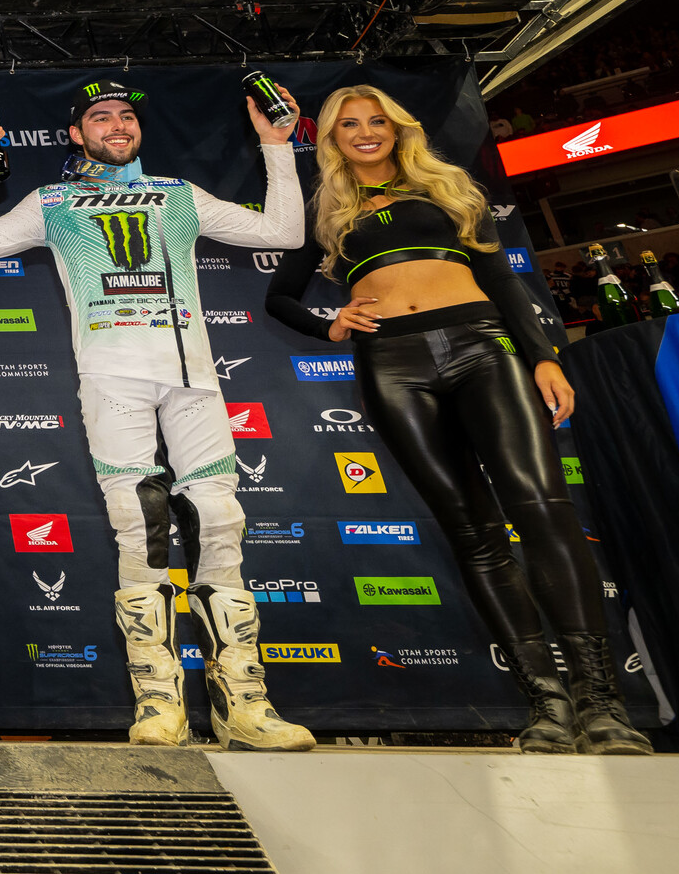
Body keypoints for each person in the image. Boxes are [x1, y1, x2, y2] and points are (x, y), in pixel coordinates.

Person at [265, 86, 651, 755]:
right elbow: (278, 296)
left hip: (482, 346)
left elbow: (504, 280)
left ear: (398, 127)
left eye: (376, 121)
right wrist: (331, 323)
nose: (364, 132)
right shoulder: (323, 208)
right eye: (348, 125)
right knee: (473, 533)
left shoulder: (447, 188)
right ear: (330, 139)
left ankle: (603, 704)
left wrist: (544, 358)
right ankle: (548, 707)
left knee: (542, 509)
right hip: (392, 364)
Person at [0, 78, 314, 752]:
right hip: (113, 378)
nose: (116, 126)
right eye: (100, 117)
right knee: (138, 524)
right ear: (75, 133)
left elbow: (284, 231)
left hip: (194, 379)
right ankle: (158, 703)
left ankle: (246, 705)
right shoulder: (54, 201)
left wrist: (276, 148)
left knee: (219, 521)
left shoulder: (178, 193)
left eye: (125, 116)